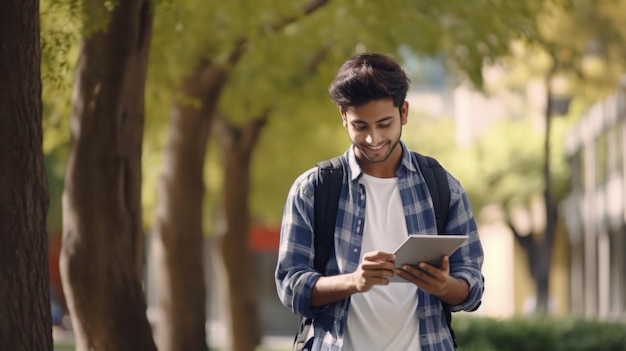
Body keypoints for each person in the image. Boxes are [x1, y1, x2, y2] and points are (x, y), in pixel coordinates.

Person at [275, 52, 484, 351]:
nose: (374, 139)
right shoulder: (313, 189)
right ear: (343, 116)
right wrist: (354, 281)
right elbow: (290, 286)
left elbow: (472, 285)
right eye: (361, 126)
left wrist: (444, 286)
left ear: (404, 112)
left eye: (384, 124)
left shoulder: (443, 187)